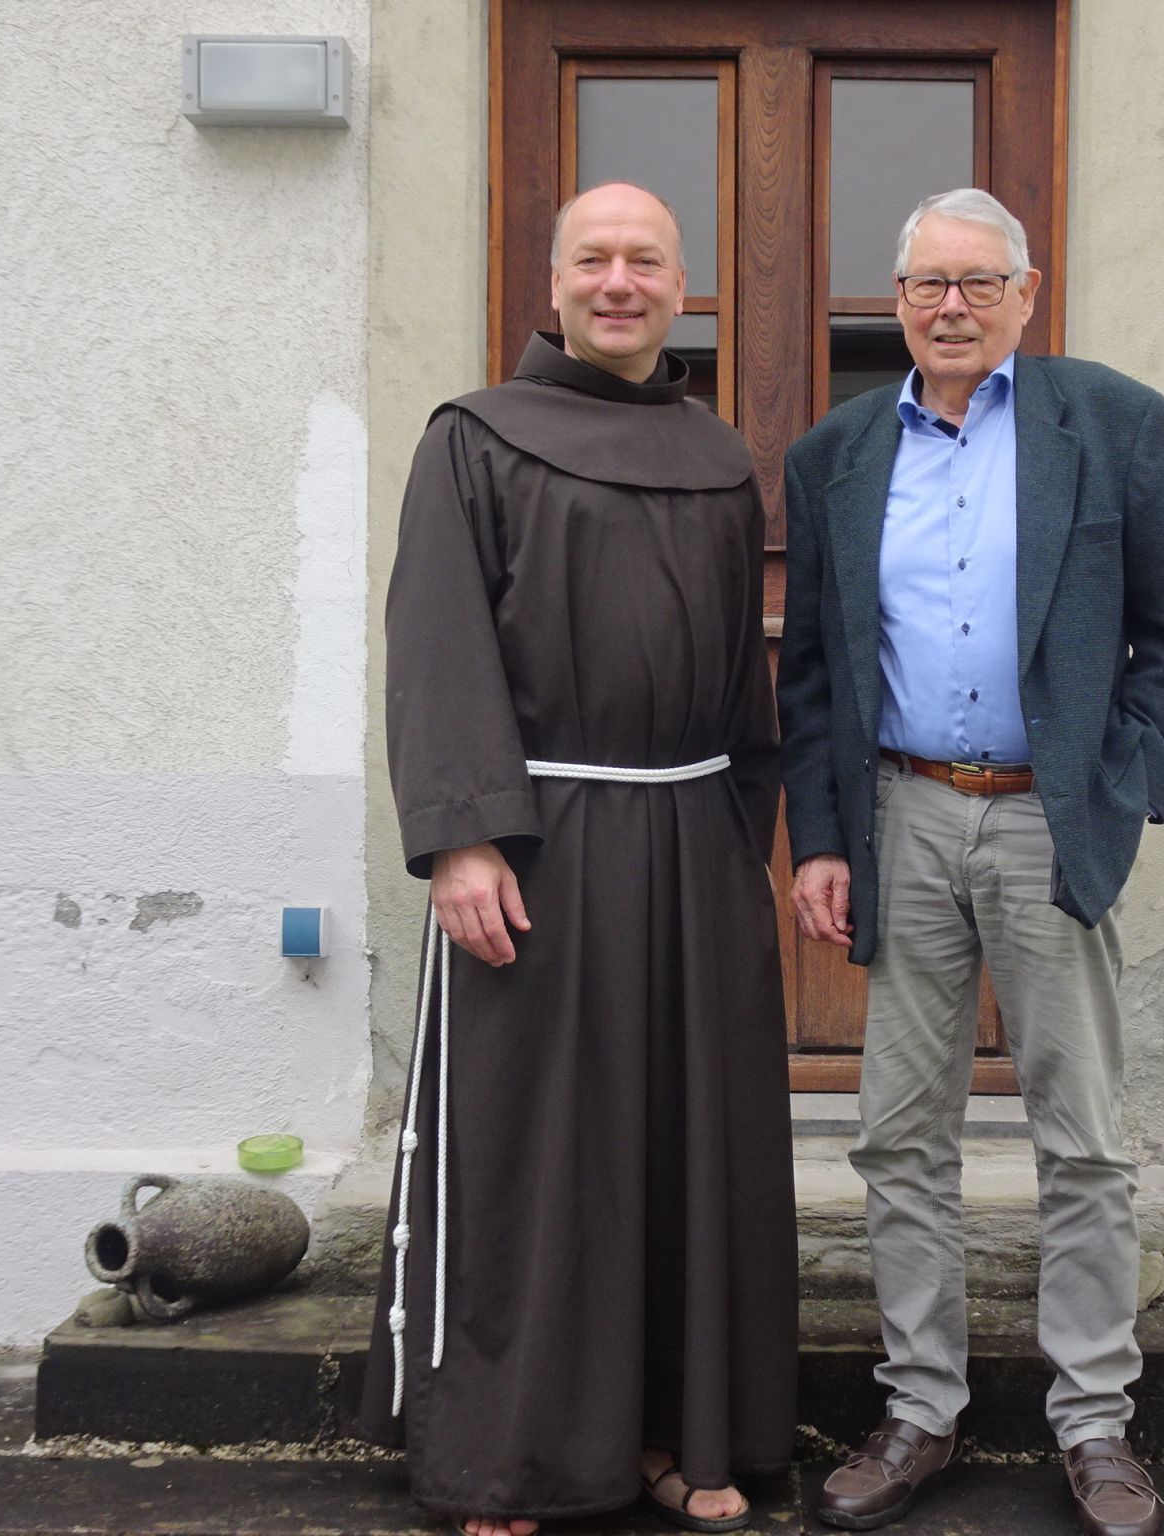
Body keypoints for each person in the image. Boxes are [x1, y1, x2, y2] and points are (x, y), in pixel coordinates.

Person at [356, 181, 797, 1536]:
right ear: (551, 286)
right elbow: (437, 642)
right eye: (593, 260)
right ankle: (510, 1459)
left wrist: (744, 836)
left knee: (684, 1154)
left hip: (692, 845)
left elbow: (740, 673)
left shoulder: (716, 455)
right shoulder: (474, 437)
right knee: (537, 1160)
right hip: (537, 851)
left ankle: (676, 1432)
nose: (619, 281)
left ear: (680, 288)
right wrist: (462, 839)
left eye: (644, 261)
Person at [775, 188, 1164, 1536]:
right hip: (902, 815)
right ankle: (920, 1409)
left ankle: (1094, 1422)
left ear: (1027, 294)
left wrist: (1118, 795)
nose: (950, 307)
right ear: (896, 301)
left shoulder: (1113, 422)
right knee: (900, 1136)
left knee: (1083, 1139)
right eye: (927, 284)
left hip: (1047, 820)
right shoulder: (838, 453)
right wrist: (824, 838)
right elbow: (813, 675)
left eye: (978, 283)